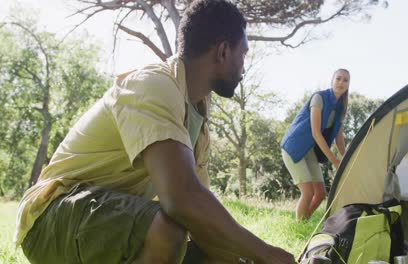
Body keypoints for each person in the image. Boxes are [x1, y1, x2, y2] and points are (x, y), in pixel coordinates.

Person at [14, 1, 296, 263]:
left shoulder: (198, 123)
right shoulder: (154, 84)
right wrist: (268, 255)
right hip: (48, 216)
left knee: (200, 250)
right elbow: (181, 199)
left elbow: (202, 223)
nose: (243, 66)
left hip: (104, 217)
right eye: (243, 53)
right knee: (168, 230)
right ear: (223, 51)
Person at [281, 69, 350, 221]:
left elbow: (339, 140)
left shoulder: (341, 108)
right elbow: (316, 133)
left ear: (348, 85)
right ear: (332, 81)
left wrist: (346, 161)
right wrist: (335, 162)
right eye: (338, 78)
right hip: (294, 147)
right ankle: (298, 226)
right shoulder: (319, 98)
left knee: (320, 194)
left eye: (345, 80)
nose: (341, 82)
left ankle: (303, 222)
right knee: (308, 192)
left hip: (309, 150)